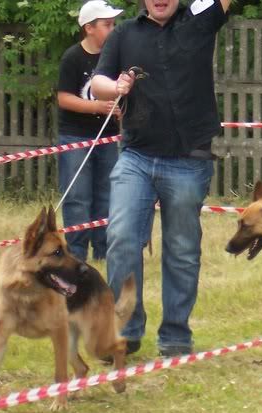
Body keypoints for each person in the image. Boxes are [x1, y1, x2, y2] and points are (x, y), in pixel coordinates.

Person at [91, 0, 232, 357]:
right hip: (136, 156)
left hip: (189, 160)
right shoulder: (124, 33)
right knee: (121, 237)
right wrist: (116, 87)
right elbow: (97, 83)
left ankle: (175, 335)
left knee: (182, 250)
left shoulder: (199, 20)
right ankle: (125, 330)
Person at [56, 0, 123, 261]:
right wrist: (96, 106)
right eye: (107, 25)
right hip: (76, 136)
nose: (113, 29)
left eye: (114, 24)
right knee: (77, 196)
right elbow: (64, 98)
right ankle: (76, 254)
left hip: (107, 137)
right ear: (89, 28)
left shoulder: (115, 58)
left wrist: (121, 109)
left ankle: (104, 251)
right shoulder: (72, 57)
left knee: (106, 194)